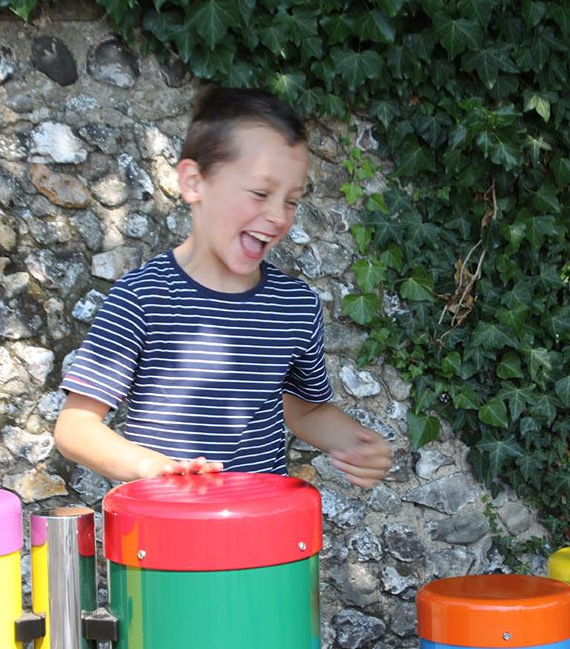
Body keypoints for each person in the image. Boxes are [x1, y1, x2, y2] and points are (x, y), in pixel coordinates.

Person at [54, 86, 392, 488]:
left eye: (291, 200)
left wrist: (359, 444)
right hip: (167, 536)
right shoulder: (142, 298)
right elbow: (75, 426)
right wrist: (151, 468)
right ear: (194, 182)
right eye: (260, 193)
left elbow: (303, 410)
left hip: (266, 538)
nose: (277, 216)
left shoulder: (295, 306)